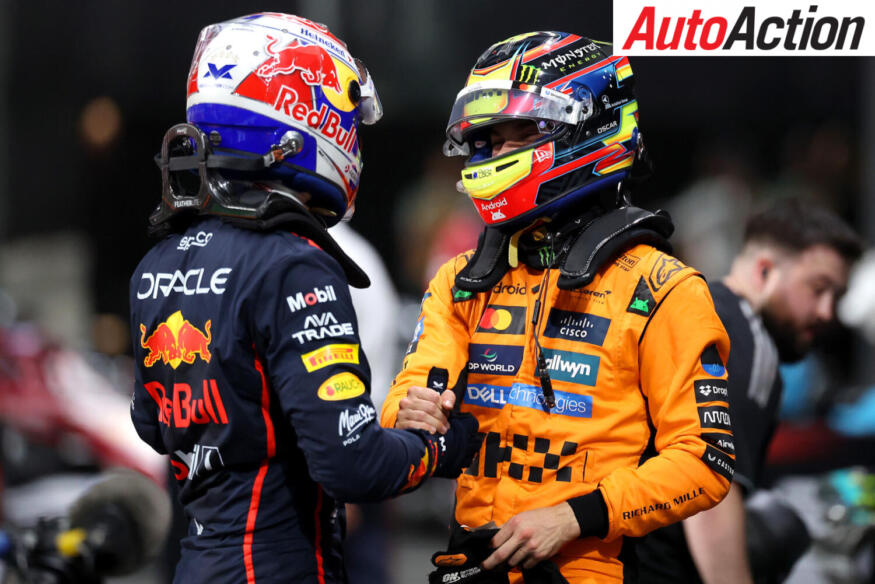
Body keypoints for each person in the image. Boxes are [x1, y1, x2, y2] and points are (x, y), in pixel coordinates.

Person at [128, 13, 481, 584]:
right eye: (345, 116)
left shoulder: (158, 260)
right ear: (304, 113)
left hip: (195, 565)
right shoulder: (293, 262)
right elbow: (354, 463)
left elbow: (150, 423)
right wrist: (451, 443)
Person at [380, 32, 736, 583]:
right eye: (490, 141)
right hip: (470, 563)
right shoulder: (462, 281)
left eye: (520, 136)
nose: (498, 155)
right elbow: (412, 393)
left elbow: (705, 459)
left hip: (592, 567)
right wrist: (407, 412)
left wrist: (574, 517)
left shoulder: (665, 288)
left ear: (590, 127)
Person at [637, 197, 863, 584]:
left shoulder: (696, 310)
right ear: (764, 271)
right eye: (818, 288)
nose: (827, 311)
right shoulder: (744, 342)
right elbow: (710, 498)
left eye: (836, 297)